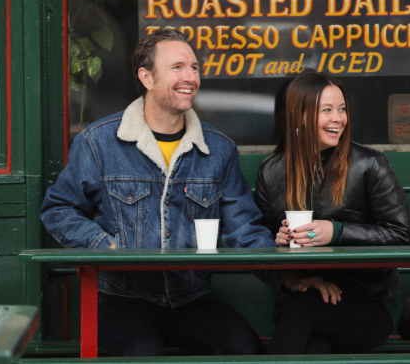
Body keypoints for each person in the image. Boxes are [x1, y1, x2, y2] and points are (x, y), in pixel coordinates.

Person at [40, 28, 274, 357]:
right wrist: (107, 245)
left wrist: (286, 277)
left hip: (191, 297)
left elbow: (243, 228)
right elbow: (58, 209)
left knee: (247, 351)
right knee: (144, 355)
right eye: (177, 67)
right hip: (123, 299)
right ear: (147, 77)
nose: (191, 77)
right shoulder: (98, 142)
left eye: (194, 67)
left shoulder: (219, 149)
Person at [254, 71, 410, 354]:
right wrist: (278, 238)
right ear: (299, 116)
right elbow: (263, 240)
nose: (338, 119)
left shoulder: (370, 165)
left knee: (301, 313)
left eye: (341, 109)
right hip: (305, 294)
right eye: (325, 110)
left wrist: (336, 231)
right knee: (315, 347)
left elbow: (401, 235)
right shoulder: (272, 172)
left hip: (368, 302)